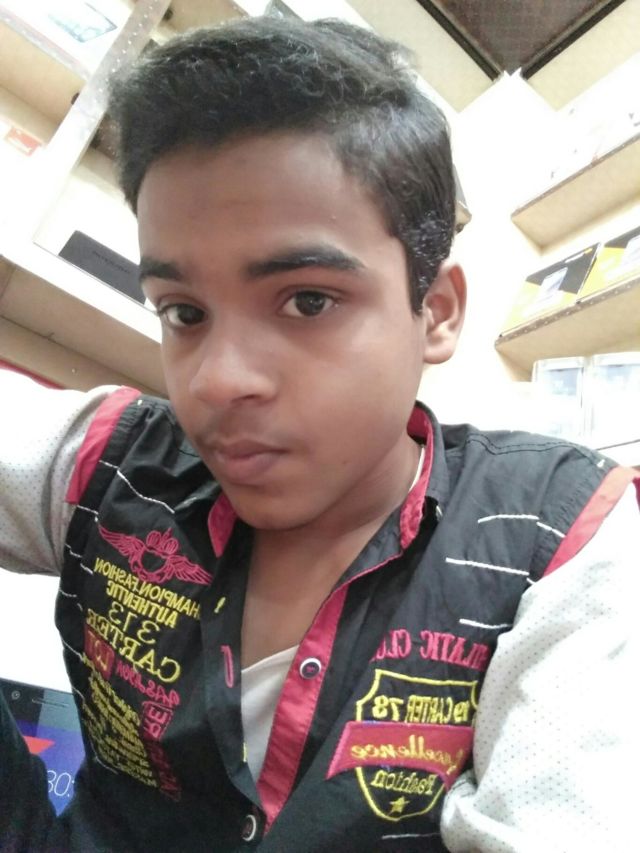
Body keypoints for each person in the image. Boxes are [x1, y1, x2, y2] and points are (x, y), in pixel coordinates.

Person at [0, 14, 637, 853]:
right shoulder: (109, 459)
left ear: (436, 310)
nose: (218, 379)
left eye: (307, 300)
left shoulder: (559, 538)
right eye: (184, 312)